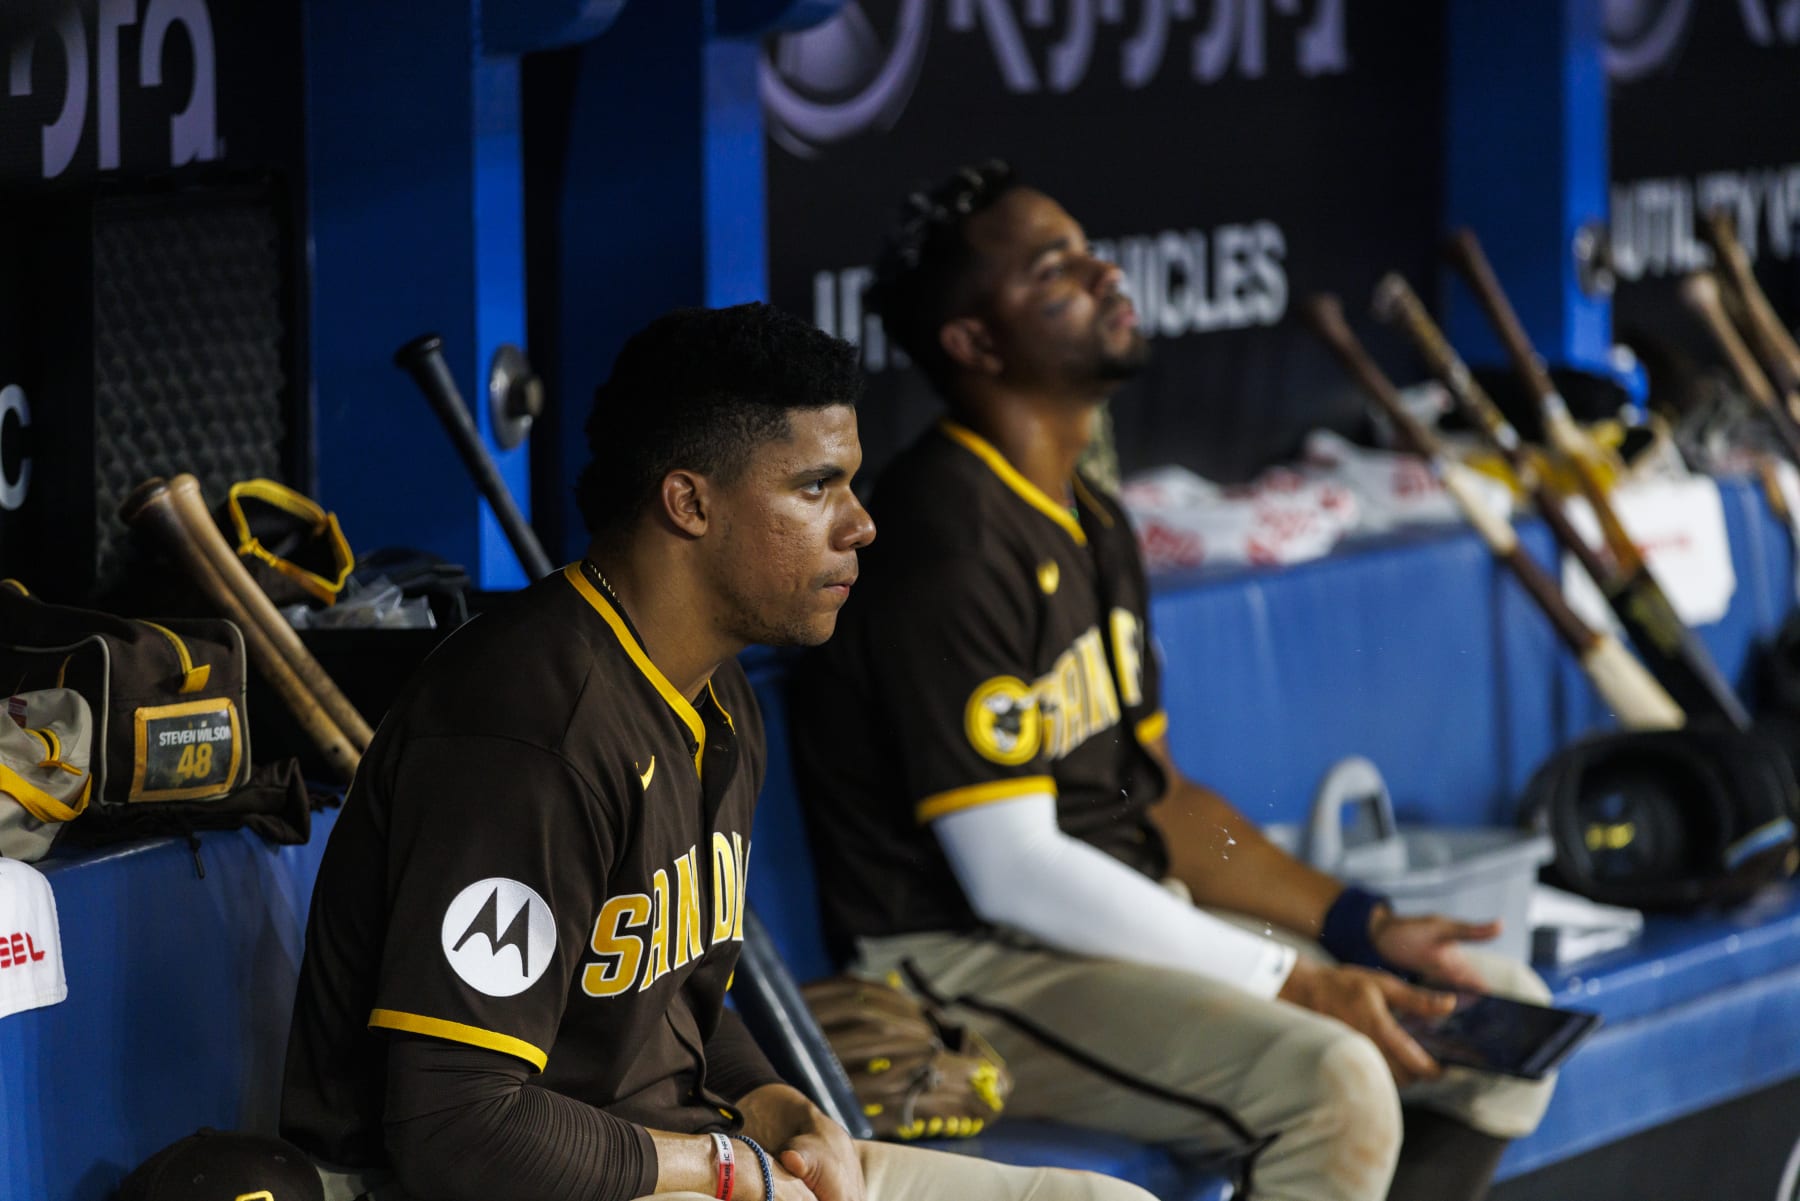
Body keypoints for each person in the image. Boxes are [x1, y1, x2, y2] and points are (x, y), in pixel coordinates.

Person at [790, 163, 1555, 1201]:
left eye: (1087, 249)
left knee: (1489, 1017)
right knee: (1338, 1081)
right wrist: (1292, 979)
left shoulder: (1092, 519)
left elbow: (1165, 799)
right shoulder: (949, 534)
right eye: (1053, 269)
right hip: (961, 962)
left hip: (1120, 920)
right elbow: (1013, 868)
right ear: (974, 343)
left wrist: (1357, 926)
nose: (1104, 272)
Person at [279, 303, 1157, 1201]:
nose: (860, 524)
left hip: (681, 1159)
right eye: (816, 488)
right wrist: (729, 1164)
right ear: (690, 501)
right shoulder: (528, 731)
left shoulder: (718, 690)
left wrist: (778, 1108)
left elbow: (671, 999)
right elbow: (454, 1127)